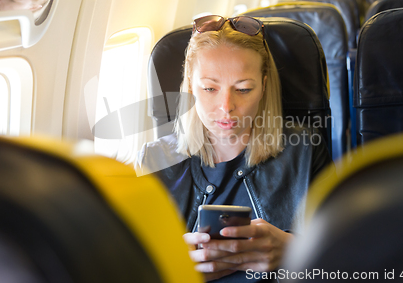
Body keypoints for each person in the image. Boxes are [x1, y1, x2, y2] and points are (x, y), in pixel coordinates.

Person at [137, 15, 332, 282]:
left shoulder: (305, 150)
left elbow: (347, 259)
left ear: (264, 86)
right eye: (209, 88)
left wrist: (294, 250)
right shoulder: (151, 161)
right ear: (190, 87)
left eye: (243, 89)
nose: (226, 106)